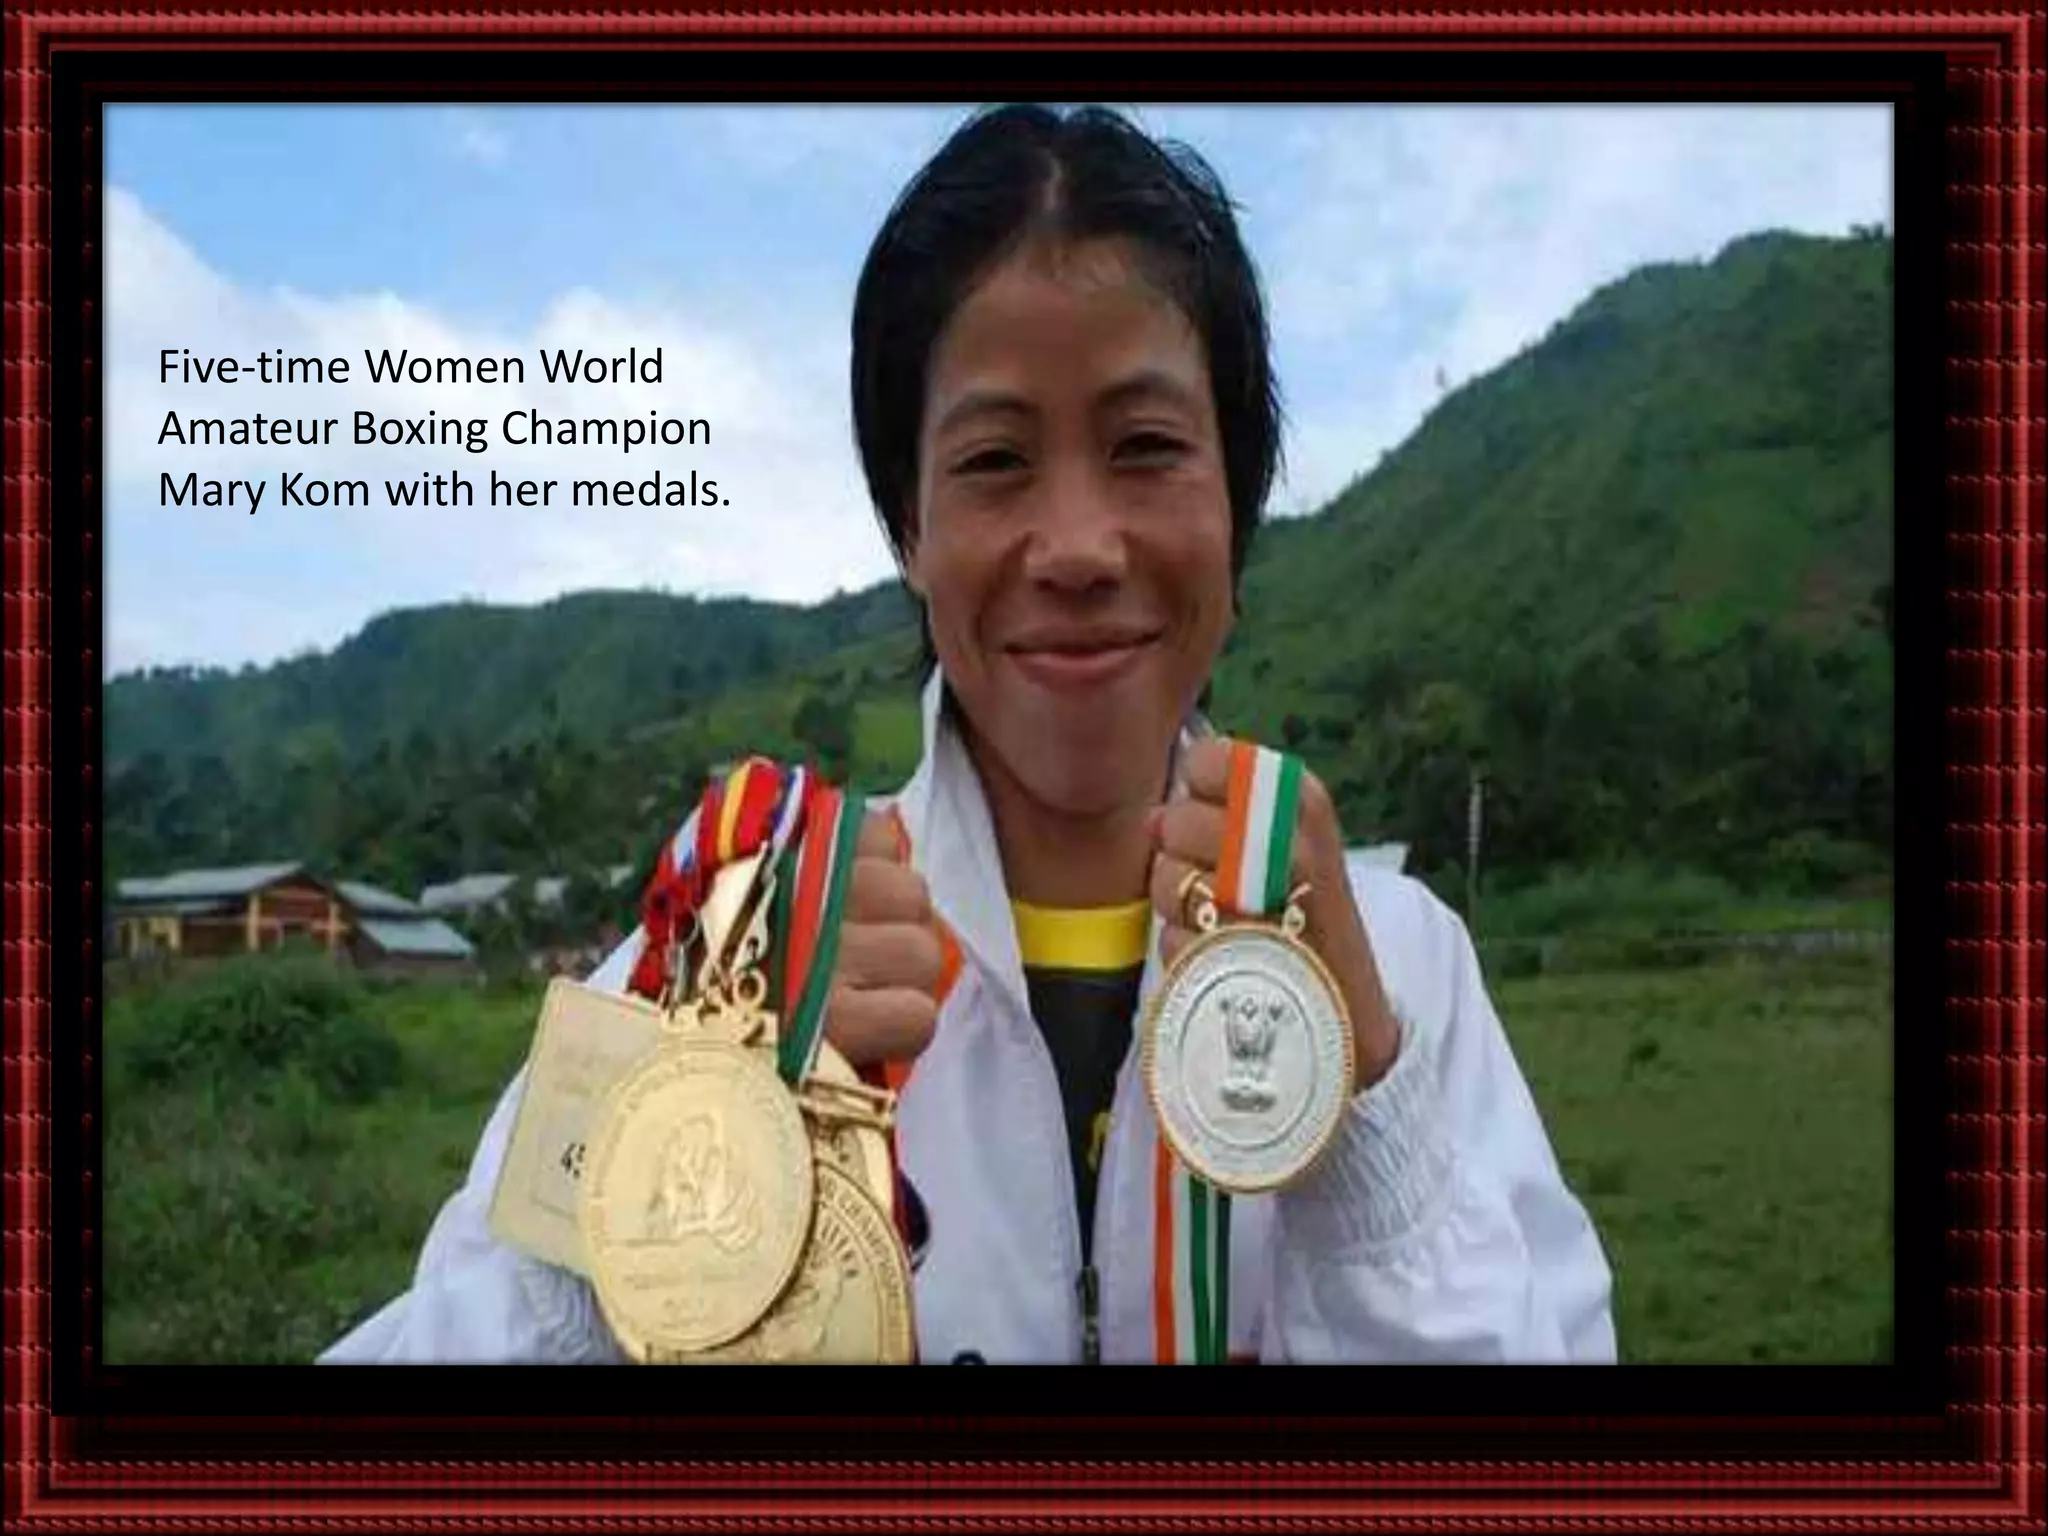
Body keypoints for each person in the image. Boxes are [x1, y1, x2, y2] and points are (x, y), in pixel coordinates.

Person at [322, 103, 1615, 1365]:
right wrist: (672, 1134)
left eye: (1149, 445)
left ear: (1241, 493)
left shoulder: (1400, 971)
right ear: (908, 527)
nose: (1076, 549)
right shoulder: (734, 968)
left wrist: (1367, 1125)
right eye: (995, 461)